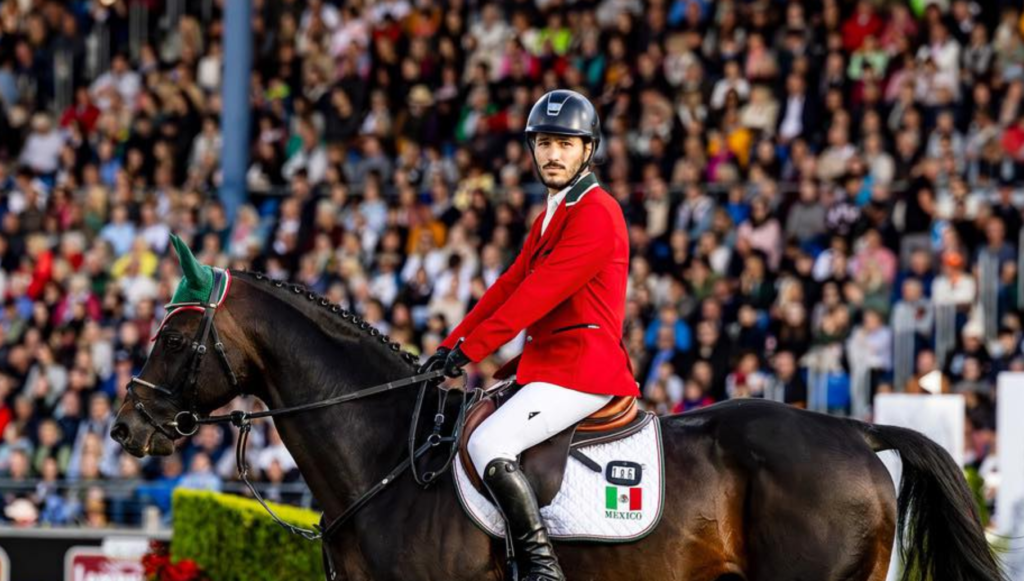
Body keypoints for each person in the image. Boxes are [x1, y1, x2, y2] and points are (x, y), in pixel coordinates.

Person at [419, 89, 637, 581]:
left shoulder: (598, 212)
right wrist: (448, 346)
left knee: (488, 442)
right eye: (543, 143)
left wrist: (470, 352)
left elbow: (535, 296)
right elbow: (506, 287)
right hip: (550, 365)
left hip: (583, 369)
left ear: (588, 149)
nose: (552, 154)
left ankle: (542, 569)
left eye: (565, 143)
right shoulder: (550, 215)